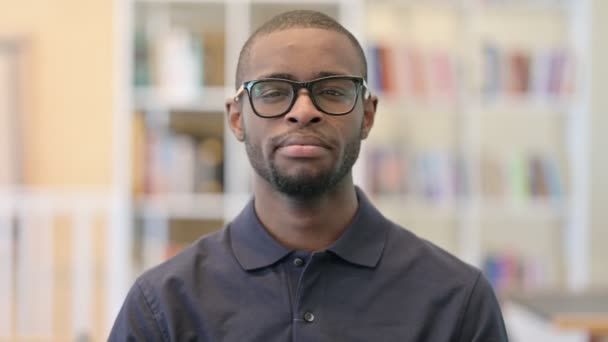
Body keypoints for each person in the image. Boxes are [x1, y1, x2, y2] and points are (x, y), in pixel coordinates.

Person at [109, 10, 509, 341]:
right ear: (236, 118)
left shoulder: (457, 300)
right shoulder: (164, 304)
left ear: (366, 115)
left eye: (333, 90)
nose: (303, 110)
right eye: (273, 91)